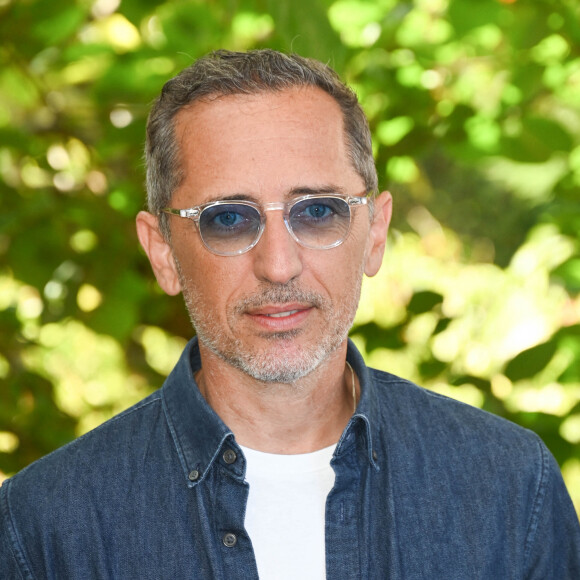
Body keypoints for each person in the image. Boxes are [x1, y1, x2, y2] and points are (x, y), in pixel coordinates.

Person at [1, 49, 579, 580]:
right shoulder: (44, 529)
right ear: (163, 253)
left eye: (318, 211)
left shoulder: (509, 489)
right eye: (227, 218)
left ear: (375, 233)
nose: (278, 266)